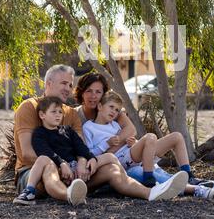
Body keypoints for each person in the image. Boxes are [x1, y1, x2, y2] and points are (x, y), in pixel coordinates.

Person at [13, 64, 188, 203]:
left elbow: (80, 147)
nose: (68, 88)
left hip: (74, 173)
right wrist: (62, 165)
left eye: (70, 84)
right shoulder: (30, 107)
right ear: (49, 83)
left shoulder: (71, 114)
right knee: (47, 166)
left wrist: (82, 164)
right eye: (63, 83)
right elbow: (28, 154)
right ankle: (68, 196)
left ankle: (150, 193)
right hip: (34, 172)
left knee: (112, 168)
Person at [75, 72, 214, 199]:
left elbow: (131, 130)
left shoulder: (113, 120)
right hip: (123, 162)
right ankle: (190, 188)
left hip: (133, 153)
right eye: (89, 91)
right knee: (151, 145)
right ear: (82, 93)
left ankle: (189, 176)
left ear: (103, 96)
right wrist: (109, 144)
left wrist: (130, 142)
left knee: (176, 137)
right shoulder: (84, 123)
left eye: (98, 92)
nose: (94, 96)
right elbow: (88, 153)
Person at [13, 96, 118, 206]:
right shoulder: (39, 133)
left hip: (76, 168)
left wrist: (90, 157)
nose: (58, 114)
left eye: (60, 112)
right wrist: (62, 163)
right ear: (42, 115)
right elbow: (45, 151)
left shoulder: (67, 130)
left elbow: (80, 147)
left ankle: (119, 180)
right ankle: (29, 191)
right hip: (58, 168)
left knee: (110, 157)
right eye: (53, 111)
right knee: (42, 159)